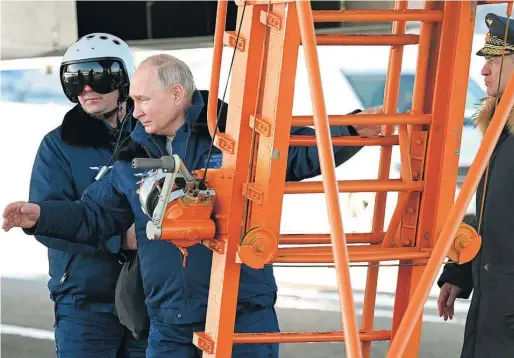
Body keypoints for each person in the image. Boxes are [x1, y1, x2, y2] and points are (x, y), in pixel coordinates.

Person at [3, 53, 382, 357]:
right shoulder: (131, 156)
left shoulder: (231, 134)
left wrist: (349, 131)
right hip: (169, 321)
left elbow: (296, 153)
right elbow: (95, 216)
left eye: (143, 100)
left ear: (178, 95)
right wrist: (41, 216)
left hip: (241, 312)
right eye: (133, 100)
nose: (134, 111)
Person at [25, 33, 146, 357]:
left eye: (97, 77)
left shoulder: (154, 134)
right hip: (85, 303)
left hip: (151, 298)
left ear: (124, 81)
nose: (87, 89)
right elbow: (49, 220)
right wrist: (118, 239)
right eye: (75, 81)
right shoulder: (59, 145)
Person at [436, 13, 514, 358]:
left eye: (496, 62)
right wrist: (460, 270)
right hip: (494, 309)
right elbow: (490, 216)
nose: (484, 71)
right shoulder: (500, 133)